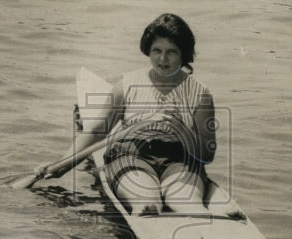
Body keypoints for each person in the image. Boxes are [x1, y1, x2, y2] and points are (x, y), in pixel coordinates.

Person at [37, 13, 219, 216]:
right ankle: (145, 209)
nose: (162, 59)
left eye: (171, 52)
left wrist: (183, 132)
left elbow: (207, 155)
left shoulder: (200, 93)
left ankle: (199, 222)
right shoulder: (126, 85)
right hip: (131, 155)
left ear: (183, 54)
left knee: (189, 205)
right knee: (147, 204)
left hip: (179, 161)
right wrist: (61, 164)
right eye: (156, 50)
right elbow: (97, 133)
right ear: (148, 51)